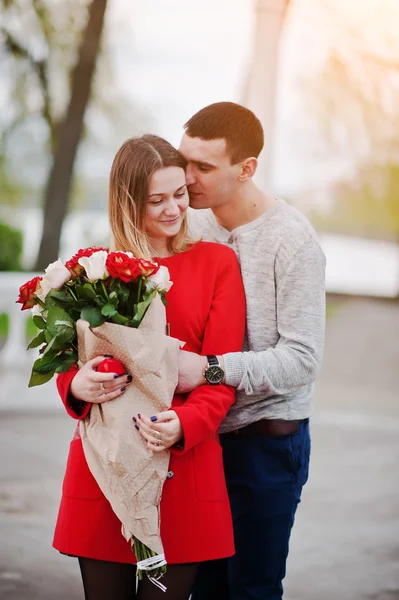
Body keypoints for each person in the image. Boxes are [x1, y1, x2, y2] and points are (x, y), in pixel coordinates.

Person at [142, 102, 326, 600]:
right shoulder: (188, 226)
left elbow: (303, 360)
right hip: (196, 441)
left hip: (265, 444)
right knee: (197, 588)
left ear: (246, 169)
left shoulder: (293, 240)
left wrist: (210, 370)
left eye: (204, 167)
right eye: (185, 161)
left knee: (252, 590)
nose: (188, 177)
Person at [52, 134, 246, 600]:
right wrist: (76, 385)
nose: (173, 209)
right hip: (106, 466)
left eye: (179, 194)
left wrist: (185, 423)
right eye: (156, 199)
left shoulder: (218, 264)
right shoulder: (93, 269)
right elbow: (66, 359)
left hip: (183, 468)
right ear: (127, 200)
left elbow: (221, 373)